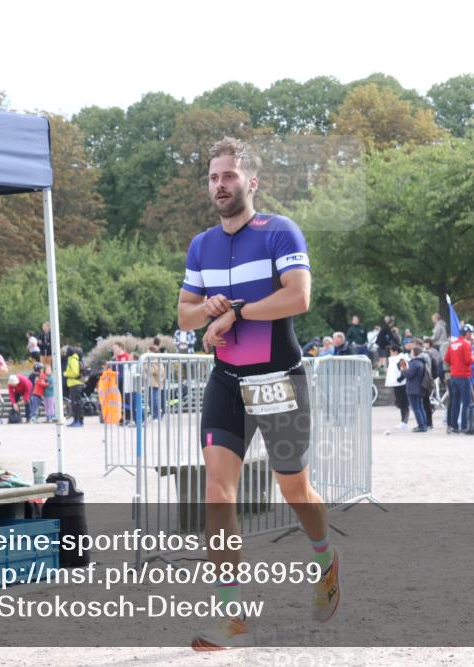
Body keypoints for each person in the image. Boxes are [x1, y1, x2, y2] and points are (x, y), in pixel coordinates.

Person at [176, 136, 338, 649]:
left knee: (295, 491)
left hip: (278, 380)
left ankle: (325, 556)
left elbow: (299, 296)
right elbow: (183, 312)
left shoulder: (278, 232)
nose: (220, 185)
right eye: (213, 177)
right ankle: (233, 617)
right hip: (227, 380)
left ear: (252, 182)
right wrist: (206, 313)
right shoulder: (201, 245)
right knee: (217, 495)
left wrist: (235, 312)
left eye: (228, 176)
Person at [444, 326, 474, 433]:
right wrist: (473, 358)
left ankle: (453, 426)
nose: (471, 335)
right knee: (466, 402)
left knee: (455, 402)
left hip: (454, 376)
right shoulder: (466, 344)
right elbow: (468, 360)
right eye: (470, 333)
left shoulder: (452, 344)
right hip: (463, 376)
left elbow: (446, 359)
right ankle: (464, 426)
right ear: (467, 333)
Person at [398, 346, 430, 432]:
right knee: (420, 407)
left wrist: (403, 370)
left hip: (413, 389)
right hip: (420, 388)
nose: (410, 353)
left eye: (411, 352)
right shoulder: (421, 363)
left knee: (416, 408)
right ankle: (424, 425)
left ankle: (421, 426)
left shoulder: (414, 363)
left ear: (415, 353)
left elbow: (409, 375)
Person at [386, 345, 411, 429]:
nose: (390, 353)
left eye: (391, 351)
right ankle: (403, 421)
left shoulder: (401, 360)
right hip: (396, 384)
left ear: (395, 352)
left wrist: (399, 380)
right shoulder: (393, 360)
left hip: (401, 385)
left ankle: (405, 422)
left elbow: (405, 371)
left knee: (404, 404)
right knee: (401, 403)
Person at [63, 346, 84, 427]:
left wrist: (65, 374)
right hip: (72, 384)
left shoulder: (73, 360)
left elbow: (75, 373)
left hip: (76, 383)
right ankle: (75, 420)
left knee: (77, 403)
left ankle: (79, 421)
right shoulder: (71, 359)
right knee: (74, 404)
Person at [146, 345, 166, 420]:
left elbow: (157, 371)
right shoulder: (148, 360)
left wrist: (149, 369)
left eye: (149, 351)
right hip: (150, 383)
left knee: (155, 400)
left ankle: (157, 416)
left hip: (156, 383)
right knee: (150, 401)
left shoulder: (157, 360)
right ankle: (154, 415)